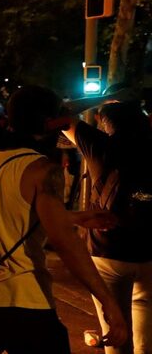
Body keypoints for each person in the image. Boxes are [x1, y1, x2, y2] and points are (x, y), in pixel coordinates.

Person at [0, 85, 129, 353]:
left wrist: (74, 216)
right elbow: (63, 241)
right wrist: (108, 302)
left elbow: (5, 212)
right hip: (26, 300)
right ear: (49, 123)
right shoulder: (42, 170)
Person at [60, 95, 152, 354]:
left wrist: (104, 97)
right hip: (149, 253)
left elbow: (61, 114)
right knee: (146, 338)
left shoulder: (101, 145)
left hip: (108, 250)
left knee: (116, 332)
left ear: (108, 123)